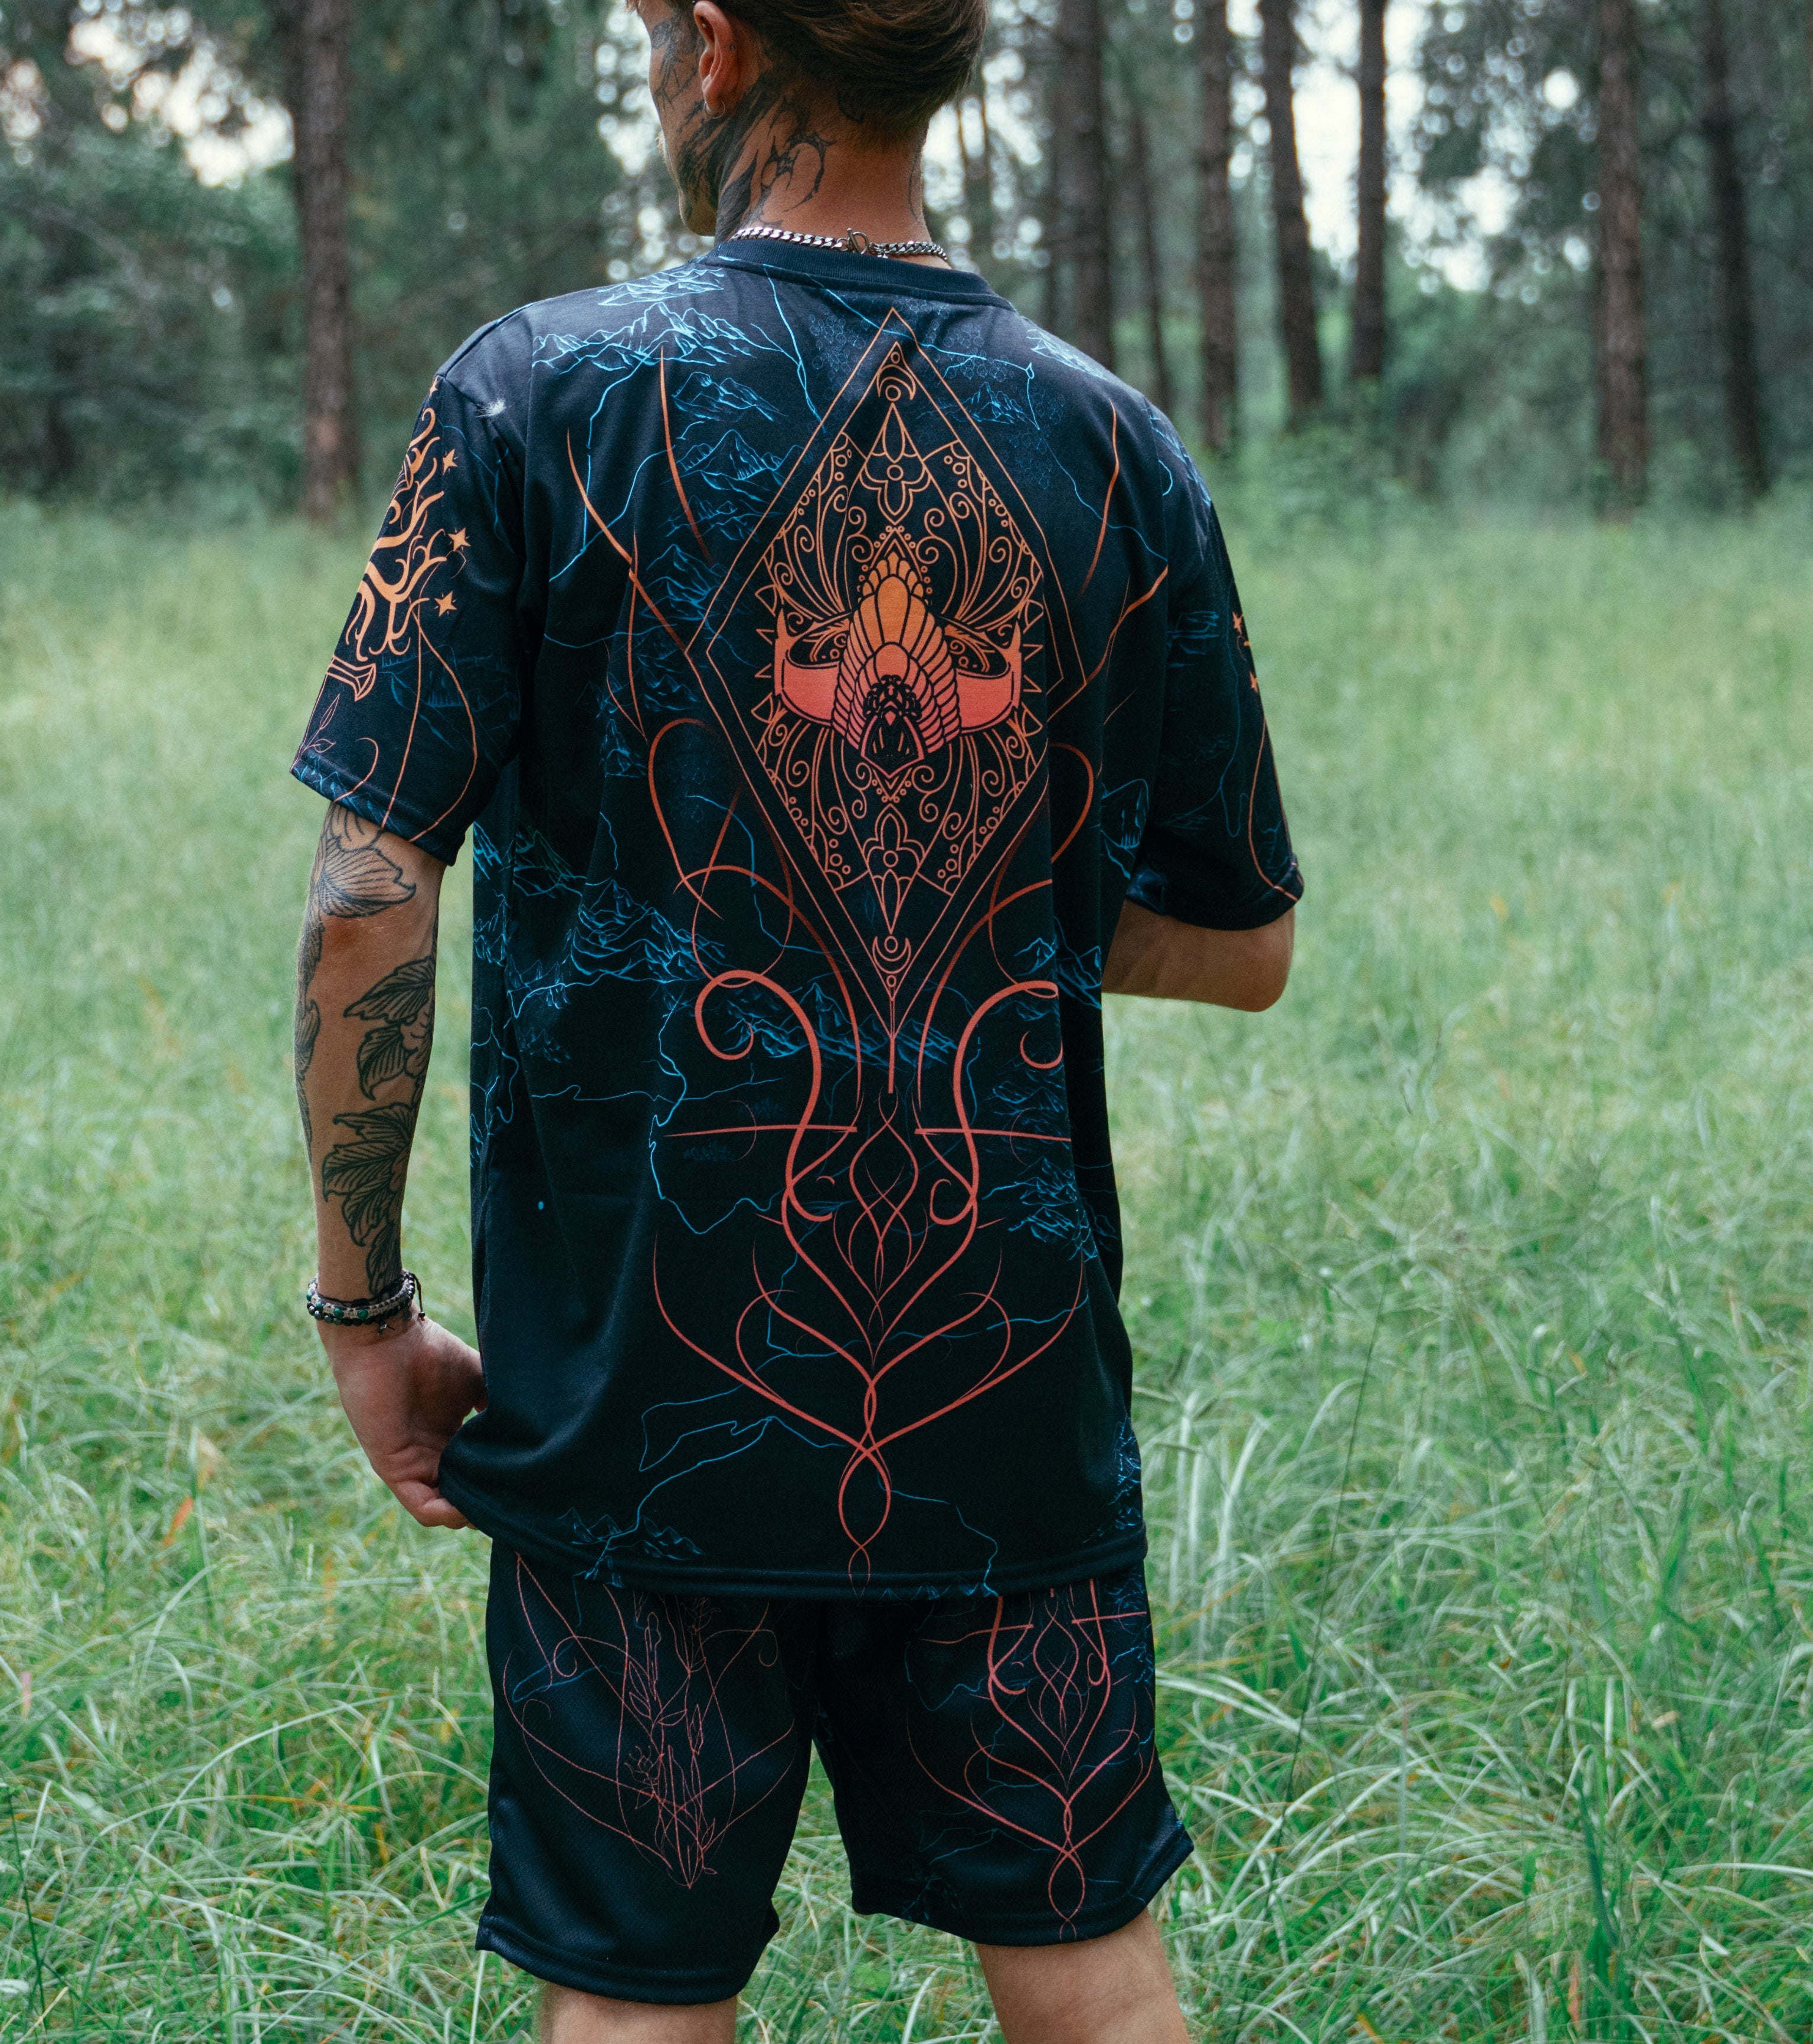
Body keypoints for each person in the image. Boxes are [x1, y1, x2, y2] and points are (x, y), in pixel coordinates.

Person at [289, 0, 1301, 2034]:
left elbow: (369, 890)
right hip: (1002, 1389)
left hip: (633, 1399)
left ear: (719, 41)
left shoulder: (535, 393)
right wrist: (983, 885)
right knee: (1094, 1977)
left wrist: (364, 1307)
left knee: (631, 2001)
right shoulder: (1115, 443)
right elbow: (1244, 940)